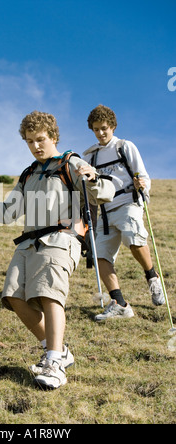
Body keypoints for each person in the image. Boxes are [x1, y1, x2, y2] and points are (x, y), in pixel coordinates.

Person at [0, 110, 115, 389]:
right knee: (13, 297)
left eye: (40, 139)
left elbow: (104, 193)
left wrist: (92, 178)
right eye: (29, 141)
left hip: (61, 240)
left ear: (53, 136)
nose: (35, 146)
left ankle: (53, 363)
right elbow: (7, 212)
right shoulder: (28, 174)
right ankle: (58, 351)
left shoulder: (70, 163)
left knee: (49, 295)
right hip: (28, 242)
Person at [83, 104, 165, 322]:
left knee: (135, 241)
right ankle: (119, 303)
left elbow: (142, 174)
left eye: (104, 128)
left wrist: (142, 186)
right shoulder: (91, 156)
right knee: (100, 256)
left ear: (113, 126)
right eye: (96, 129)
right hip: (105, 211)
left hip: (128, 203)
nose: (100, 133)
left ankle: (152, 277)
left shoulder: (124, 146)